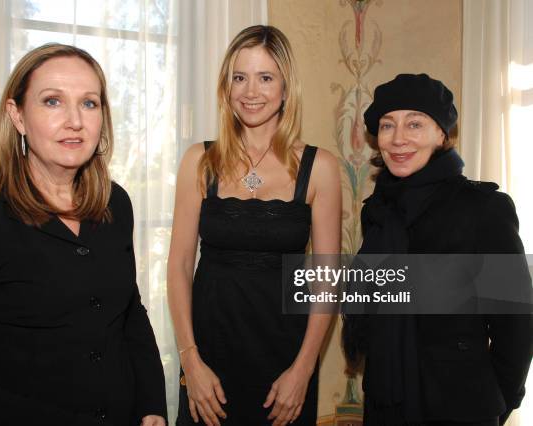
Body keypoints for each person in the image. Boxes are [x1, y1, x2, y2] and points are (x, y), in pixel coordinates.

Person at [0, 43, 167, 426]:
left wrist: (152, 406)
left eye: (89, 103)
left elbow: (129, 314)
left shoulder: (116, 202)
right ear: (17, 116)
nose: (75, 121)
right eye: (52, 101)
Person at [167, 25, 341, 426]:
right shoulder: (200, 160)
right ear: (226, 87)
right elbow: (178, 266)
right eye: (239, 78)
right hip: (208, 360)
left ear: (285, 87)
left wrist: (303, 369)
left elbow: (327, 278)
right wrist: (190, 361)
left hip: (286, 364)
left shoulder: (320, 168)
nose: (251, 92)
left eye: (265, 78)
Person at [342, 73, 532, 426]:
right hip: (385, 403)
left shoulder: (483, 209)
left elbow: (517, 327)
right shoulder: (379, 212)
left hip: (458, 410)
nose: (398, 139)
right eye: (387, 125)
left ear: (442, 134)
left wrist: (494, 406)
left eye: (415, 124)